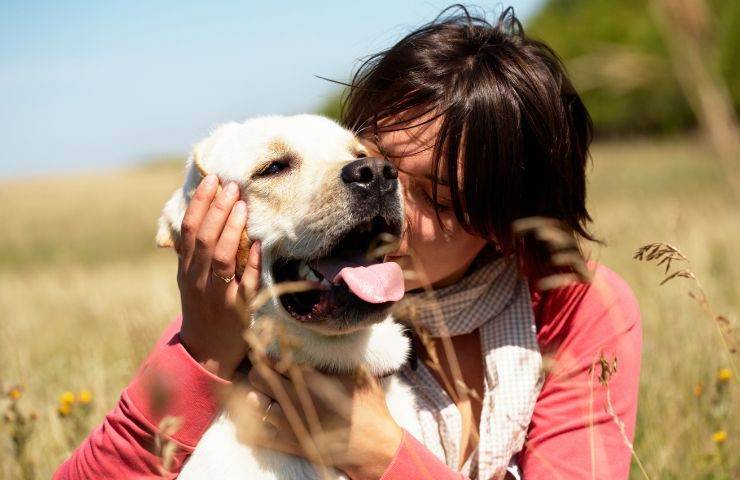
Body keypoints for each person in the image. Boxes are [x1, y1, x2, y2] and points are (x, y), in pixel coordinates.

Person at [54, 6, 641, 480]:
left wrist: (379, 452)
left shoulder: (570, 307)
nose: (387, 212)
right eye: (368, 167)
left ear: (507, 223)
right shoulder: (257, 306)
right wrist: (203, 350)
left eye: (437, 199)